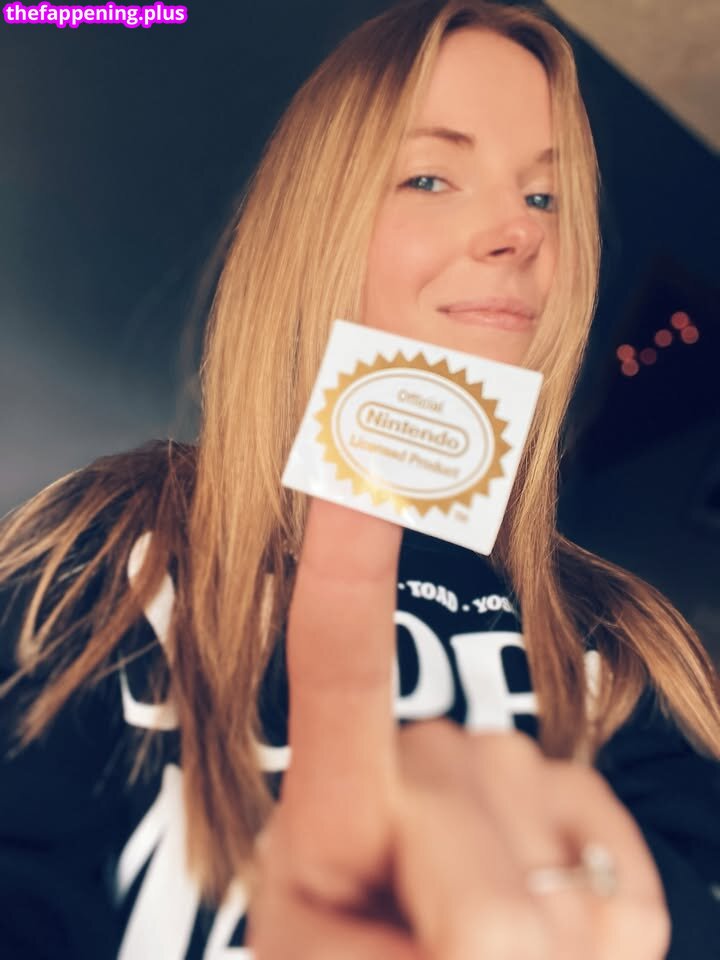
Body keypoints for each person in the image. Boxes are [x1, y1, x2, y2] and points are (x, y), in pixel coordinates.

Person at [1, 1, 718, 957]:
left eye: (546, 197)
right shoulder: (109, 543)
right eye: (429, 176)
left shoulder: (630, 649)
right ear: (316, 226)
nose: (521, 231)